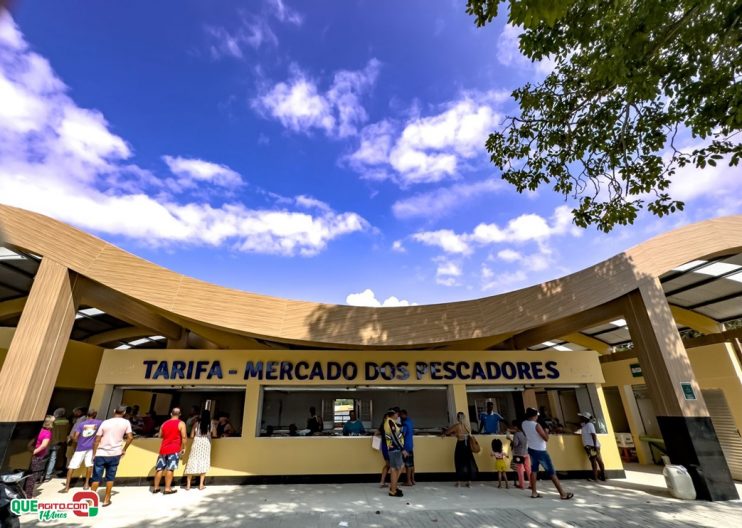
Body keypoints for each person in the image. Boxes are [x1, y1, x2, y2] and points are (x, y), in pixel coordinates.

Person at [522, 407, 573, 500]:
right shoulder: (536, 425)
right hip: (541, 451)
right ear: (534, 416)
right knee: (551, 471)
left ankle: (534, 492)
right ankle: (562, 493)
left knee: (533, 471)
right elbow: (546, 438)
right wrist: (546, 431)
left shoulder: (524, 424)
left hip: (531, 449)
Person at [91, 406, 134, 507]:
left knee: (96, 478)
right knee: (110, 477)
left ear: (114, 411)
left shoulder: (105, 422)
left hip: (101, 453)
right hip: (115, 453)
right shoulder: (126, 422)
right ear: (124, 412)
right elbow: (130, 437)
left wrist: (94, 453)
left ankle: (91, 500)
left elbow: (97, 439)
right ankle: (107, 498)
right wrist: (124, 449)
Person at [62, 409, 102, 492]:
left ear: (87, 415)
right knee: (89, 466)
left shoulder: (81, 424)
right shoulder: (99, 423)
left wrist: (74, 438)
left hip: (80, 448)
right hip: (91, 448)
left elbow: (75, 437)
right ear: (95, 415)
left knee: (72, 466)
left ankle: (67, 486)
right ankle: (86, 484)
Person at [152, 407, 187, 494]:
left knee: (159, 468)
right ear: (180, 414)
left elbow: (160, 435)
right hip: (174, 449)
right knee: (170, 469)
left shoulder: (164, 423)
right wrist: (184, 447)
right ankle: (167, 489)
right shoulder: (181, 423)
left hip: (163, 449)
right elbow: (184, 437)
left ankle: (156, 488)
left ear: (171, 414)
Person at [443, 411, 478, 487]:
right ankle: (469, 482)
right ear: (464, 418)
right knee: (468, 463)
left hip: (460, 445)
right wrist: (457, 434)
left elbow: (447, 432)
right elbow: (469, 434)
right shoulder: (467, 426)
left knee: (458, 462)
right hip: (467, 445)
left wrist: (454, 434)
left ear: (458, 418)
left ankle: (458, 482)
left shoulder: (457, 426)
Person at [24, 415, 54, 498]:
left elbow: (30, 442)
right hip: (38, 456)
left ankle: (25, 492)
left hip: (33, 454)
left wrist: (31, 450)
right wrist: (35, 452)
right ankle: (28, 496)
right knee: (33, 476)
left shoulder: (39, 430)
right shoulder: (47, 433)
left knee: (29, 474)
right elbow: (44, 445)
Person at [185, 409, 215, 491]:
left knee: (192, 461)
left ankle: (188, 485)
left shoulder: (196, 424)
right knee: (204, 462)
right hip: (206, 443)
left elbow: (191, 436)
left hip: (197, 443)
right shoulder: (211, 424)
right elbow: (215, 434)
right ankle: (201, 485)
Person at [383, 409, 407, 497]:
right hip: (395, 449)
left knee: (396, 468)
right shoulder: (390, 422)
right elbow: (394, 436)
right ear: (393, 414)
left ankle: (393, 487)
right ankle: (393, 490)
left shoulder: (390, 422)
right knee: (395, 469)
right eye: (397, 414)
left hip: (394, 449)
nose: (398, 416)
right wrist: (402, 449)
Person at [578, 412, 606, 482]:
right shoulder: (585, 425)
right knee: (597, 460)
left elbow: (593, 435)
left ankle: (596, 477)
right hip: (590, 446)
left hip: (591, 446)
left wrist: (595, 445)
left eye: (582, 417)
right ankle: (602, 476)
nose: (580, 418)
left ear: (585, 418)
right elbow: (578, 424)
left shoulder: (590, 425)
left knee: (594, 461)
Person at [44, 408, 70, 481]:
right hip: (59, 442)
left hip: (48, 441)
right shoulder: (67, 422)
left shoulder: (52, 421)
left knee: (44, 458)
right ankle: (48, 476)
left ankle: (41, 475)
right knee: (53, 458)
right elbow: (67, 431)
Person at [507, 419, 531, 489]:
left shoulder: (517, 434)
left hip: (519, 454)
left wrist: (510, 440)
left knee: (520, 469)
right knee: (528, 469)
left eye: (514, 426)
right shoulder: (525, 433)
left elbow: (515, 444)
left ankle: (522, 485)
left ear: (516, 426)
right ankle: (531, 484)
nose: (513, 427)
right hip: (526, 453)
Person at [399, 409, 415, 486]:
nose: (400, 416)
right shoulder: (409, 421)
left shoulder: (405, 424)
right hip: (411, 445)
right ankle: (413, 480)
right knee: (411, 464)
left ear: (404, 415)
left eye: (401, 415)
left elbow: (402, 435)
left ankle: (408, 481)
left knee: (407, 464)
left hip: (406, 446)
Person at [376, 418, 390, 488]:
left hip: (384, 446)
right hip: (388, 447)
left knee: (388, 465)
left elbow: (376, 433)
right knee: (390, 465)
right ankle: (384, 482)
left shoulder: (382, 426)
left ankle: (382, 481)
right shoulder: (388, 426)